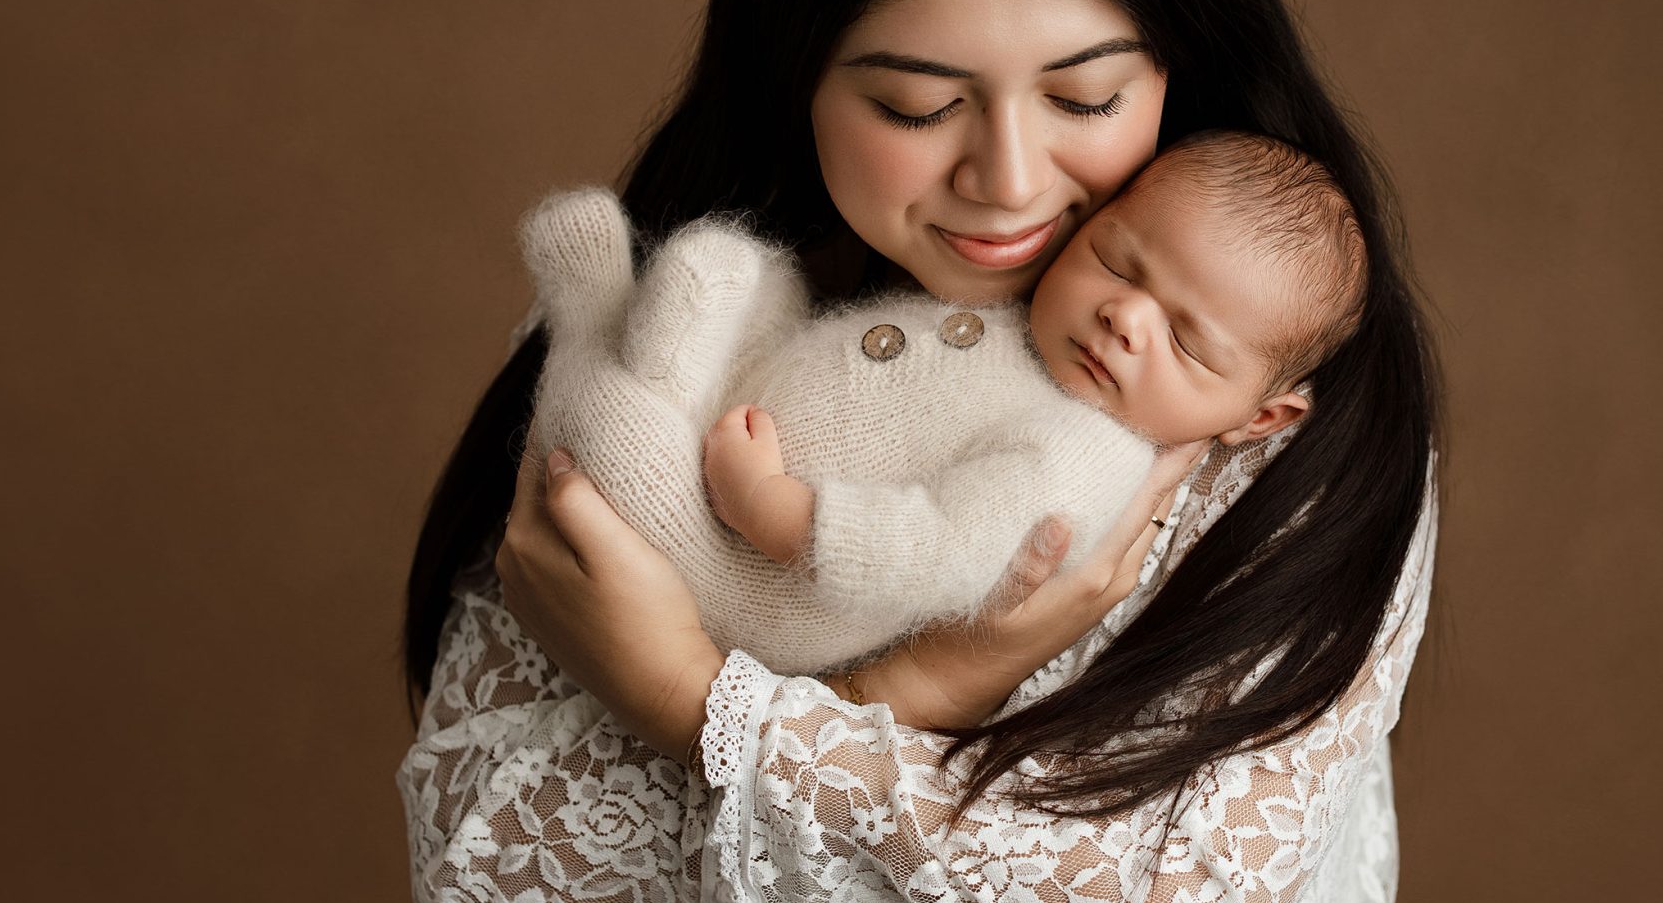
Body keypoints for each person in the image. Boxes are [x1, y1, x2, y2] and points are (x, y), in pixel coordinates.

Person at [398, 0, 1439, 903]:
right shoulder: (683, 338)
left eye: (1085, 97)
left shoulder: (1278, 421)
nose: (1010, 181)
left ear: (1176, 63)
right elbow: (520, 882)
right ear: (798, 72)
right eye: (913, 105)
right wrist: (942, 684)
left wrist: (699, 703)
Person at [513, 130, 1364, 680]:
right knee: (735, 270)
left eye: (1185, 340)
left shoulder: (1080, 454)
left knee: (612, 452)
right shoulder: (1030, 313)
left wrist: (769, 508)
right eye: (1118, 261)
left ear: (1260, 417)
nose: (1125, 318)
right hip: (753, 427)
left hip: (746, 570)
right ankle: (647, 353)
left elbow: (944, 547)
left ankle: (590, 322)